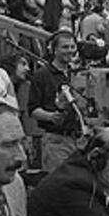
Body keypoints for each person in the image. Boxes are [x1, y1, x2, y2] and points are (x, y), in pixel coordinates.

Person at [28, 29, 81, 173]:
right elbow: (32, 110)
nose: (69, 50)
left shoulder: (77, 74)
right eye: (65, 47)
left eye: (72, 47)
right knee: (60, 185)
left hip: (79, 140)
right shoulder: (42, 75)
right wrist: (51, 116)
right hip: (56, 141)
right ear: (54, 49)